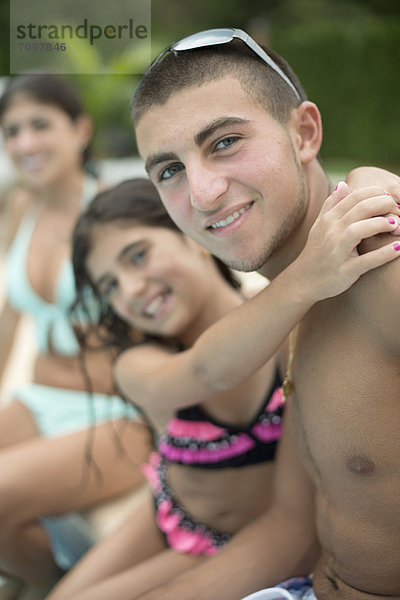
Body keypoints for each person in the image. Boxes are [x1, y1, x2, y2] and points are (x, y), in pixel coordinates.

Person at [126, 28, 400, 600]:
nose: (202, 193)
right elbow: (290, 526)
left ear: (304, 133)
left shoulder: (378, 247)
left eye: (224, 142)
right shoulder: (288, 306)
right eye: (169, 170)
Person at [45, 168, 400, 600]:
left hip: (246, 537)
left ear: (194, 238)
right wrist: (306, 275)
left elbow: (292, 518)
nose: (131, 290)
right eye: (110, 286)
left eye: (137, 257)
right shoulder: (138, 363)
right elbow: (205, 370)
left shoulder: (292, 334)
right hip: (176, 512)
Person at [0, 73, 151, 590]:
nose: (25, 143)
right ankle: (46, 579)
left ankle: (63, 586)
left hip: (114, 414)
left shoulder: (116, 212)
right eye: (12, 131)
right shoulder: (22, 207)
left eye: (40, 125)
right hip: (37, 399)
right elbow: (11, 318)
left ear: (80, 129)